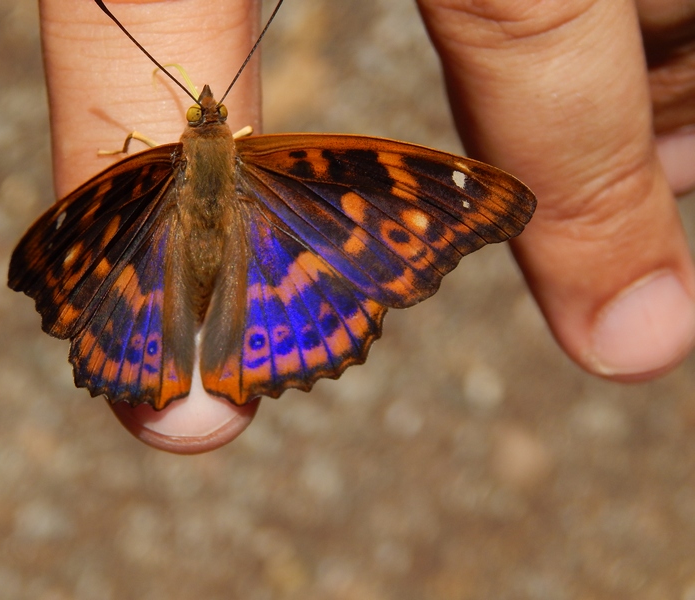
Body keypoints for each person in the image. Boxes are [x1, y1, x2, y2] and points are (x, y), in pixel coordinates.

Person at [36, 0, 695, 453]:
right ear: (230, 136)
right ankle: (209, 355)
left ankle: (161, 351)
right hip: (275, 267)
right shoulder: (281, 163)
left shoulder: (147, 169)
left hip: (160, 247)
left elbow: (65, 245)